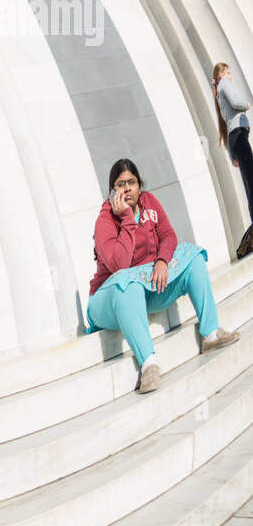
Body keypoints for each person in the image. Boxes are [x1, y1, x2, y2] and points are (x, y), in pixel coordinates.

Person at [86, 158, 240, 394]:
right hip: (109, 298)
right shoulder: (105, 220)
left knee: (193, 258)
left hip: (147, 286)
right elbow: (120, 264)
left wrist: (161, 261)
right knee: (128, 284)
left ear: (139, 185)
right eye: (120, 184)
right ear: (112, 190)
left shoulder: (149, 202)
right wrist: (126, 217)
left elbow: (168, 234)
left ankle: (210, 333)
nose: (127, 188)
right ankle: (149, 364)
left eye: (131, 182)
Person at [213, 63, 253, 255]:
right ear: (221, 74)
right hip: (239, 136)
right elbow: (237, 103)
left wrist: (231, 155)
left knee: (250, 185)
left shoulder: (218, 92)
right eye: (228, 73)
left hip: (235, 138)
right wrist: (246, 104)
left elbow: (225, 124)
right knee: (252, 184)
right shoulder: (224, 85)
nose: (230, 77)